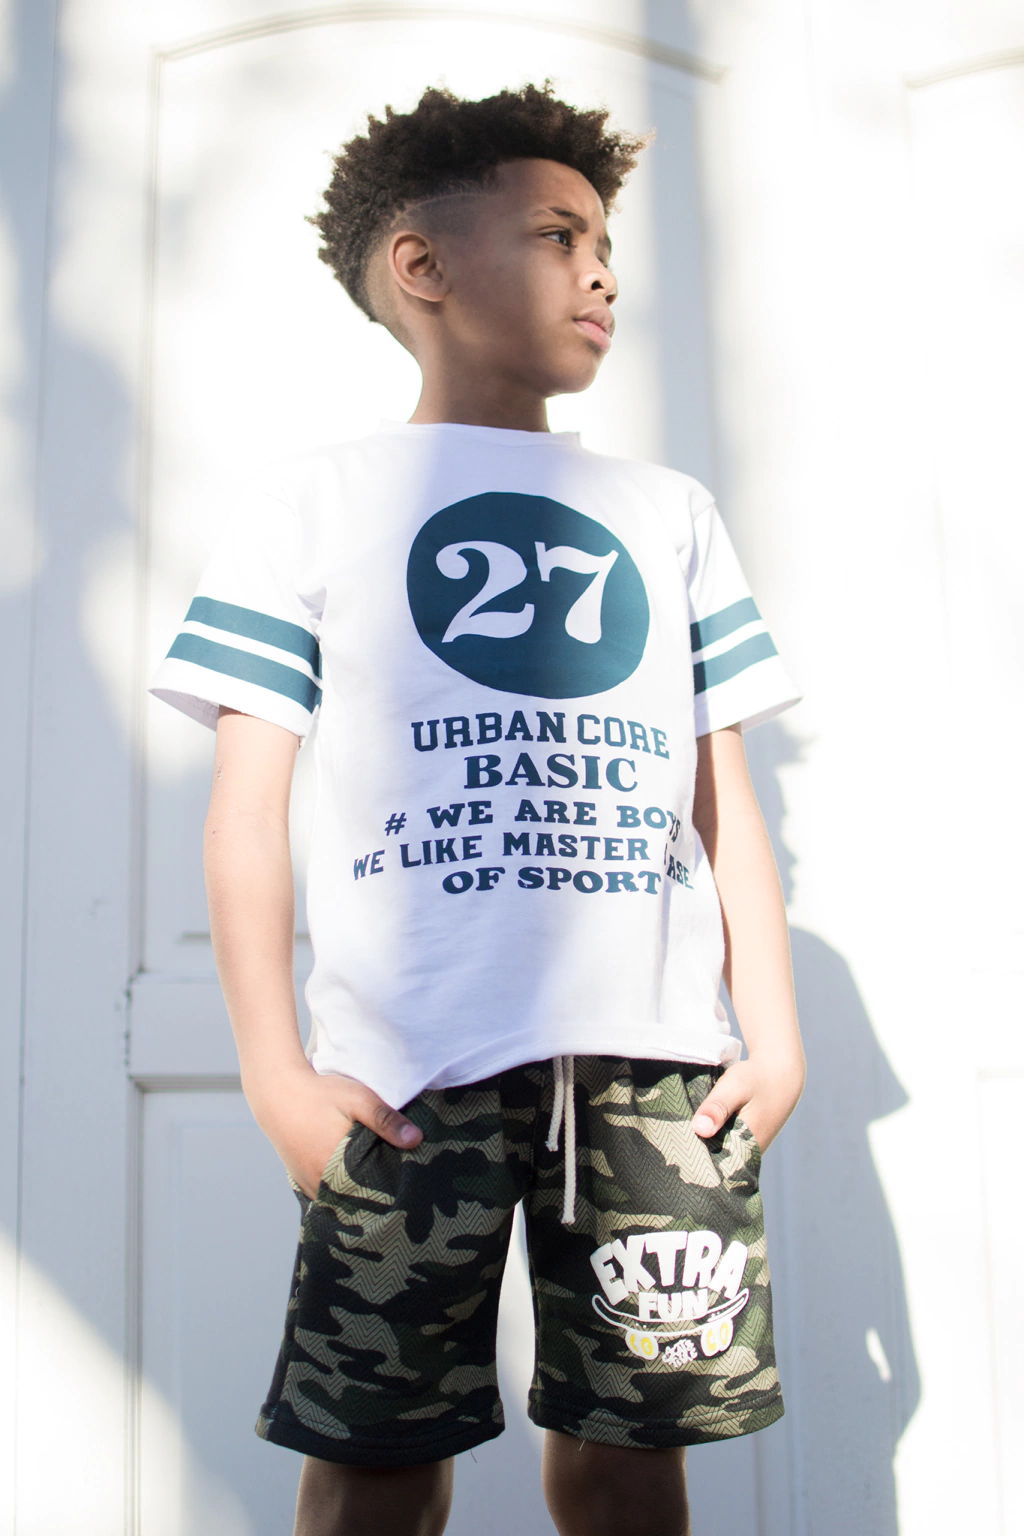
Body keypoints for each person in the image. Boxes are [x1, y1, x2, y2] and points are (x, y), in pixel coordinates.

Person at [150, 82, 806, 1536]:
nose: (602, 273)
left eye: (606, 243)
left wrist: (774, 1029)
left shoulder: (670, 513)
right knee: (374, 1459)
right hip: (408, 1075)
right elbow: (246, 813)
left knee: (633, 1462)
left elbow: (723, 801)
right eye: (559, 235)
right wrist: (273, 1071)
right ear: (422, 265)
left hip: (657, 1074)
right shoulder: (313, 503)